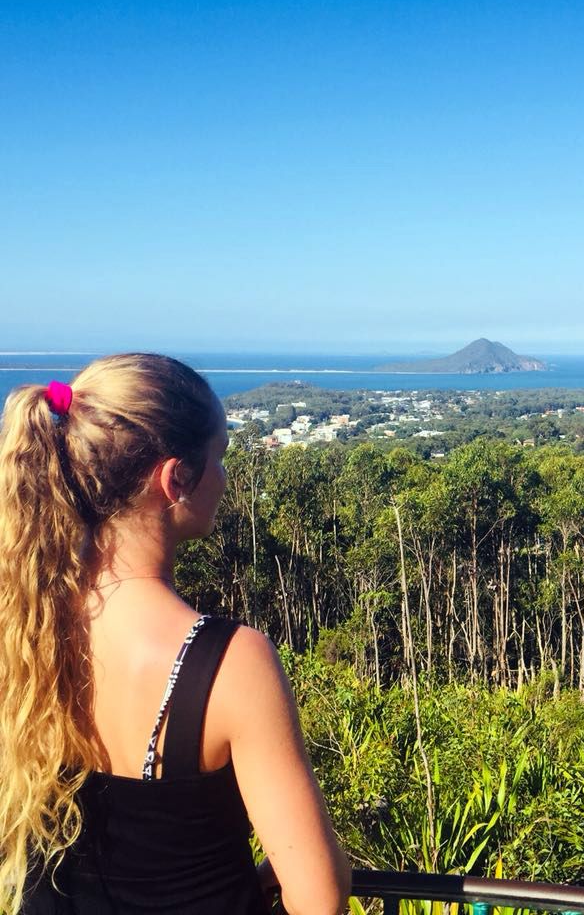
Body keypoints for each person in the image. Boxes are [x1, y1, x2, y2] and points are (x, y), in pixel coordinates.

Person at [0, 353, 351, 915]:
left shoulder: (21, 624)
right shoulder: (231, 662)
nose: (225, 478)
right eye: (219, 459)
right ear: (175, 479)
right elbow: (320, 897)